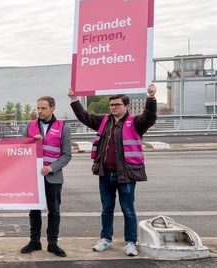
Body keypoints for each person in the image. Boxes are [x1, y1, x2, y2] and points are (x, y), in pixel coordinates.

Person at [68, 84, 157, 257]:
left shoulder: (136, 122)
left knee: (128, 210)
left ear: (126, 106)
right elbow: (84, 117)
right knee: (106, 208)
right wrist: (74, 99)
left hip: (126, 173)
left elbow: (150, 117)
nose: (113, 107)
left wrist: (151, 98)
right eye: (111, 105)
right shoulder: (104, 121)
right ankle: (106, 239)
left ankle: (130, 243)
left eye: (117, 105)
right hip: (105, 172)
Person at [20, 96, 72, 257]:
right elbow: (20, 148)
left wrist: (51, 168)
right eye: (38, 108)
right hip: (34, 176)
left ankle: (52, 243)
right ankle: (35, 241)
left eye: (43, 108)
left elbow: (66, 155)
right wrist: (30, 141)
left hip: (53, 176)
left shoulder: (63, 127)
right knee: (34, 210)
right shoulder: (30, 125)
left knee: (54, 211)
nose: (40, 111)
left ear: (52, 108)